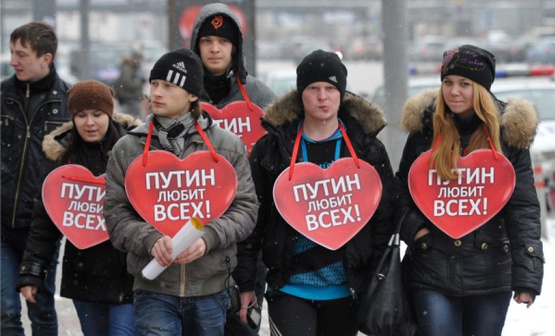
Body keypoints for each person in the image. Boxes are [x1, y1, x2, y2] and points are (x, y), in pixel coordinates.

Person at [233, 49, 395, 336]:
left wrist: (376, 278)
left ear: (341, 94)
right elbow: (252, 219)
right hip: (289, 286)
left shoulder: (366, 149)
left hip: (348, 289)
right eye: (314, 88)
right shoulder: (272, 149)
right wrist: (246, 282)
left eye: (331, 88)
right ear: (300, 94)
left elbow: (384, 218)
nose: (323, 97)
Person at [103, 48, 258, 336]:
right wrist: (149, 240)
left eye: (168, 86)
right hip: (153, 288)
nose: (156, 93)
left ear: (192, 95)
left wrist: (208, 238)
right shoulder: (127, 149)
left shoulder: (227, 147)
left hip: (210, 286)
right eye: (154, 84)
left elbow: (246, 210)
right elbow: (115, 215)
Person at [393, 44, 544, 336]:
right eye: (448, 83)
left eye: (465, 84)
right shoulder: (425, 131)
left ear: (482, 90)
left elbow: (522, 207)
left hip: (490, 272)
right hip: (430, 268)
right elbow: (401, 193)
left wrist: (527, 274)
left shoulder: (508, 137)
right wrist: (417, 231)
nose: (454, 92)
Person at [16, 80, 140, 336]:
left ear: (110, 113)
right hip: (84, 274)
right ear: (72, 118)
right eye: (81, 115)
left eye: (97, 114)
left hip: (128, 273)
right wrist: (32, 272)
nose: (90, 122)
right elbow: (45, 223)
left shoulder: (135, 150)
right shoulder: (61, 160)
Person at [189, 3, 278, 334]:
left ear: (235, 48)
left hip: (249, 231)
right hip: (194, 226)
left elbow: (280, 160)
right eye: (207, 40)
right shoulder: (180, 96)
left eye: (223, 42)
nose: (215, 49)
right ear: (196, 45)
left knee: (243, 324)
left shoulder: (259, 96)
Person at [1, 21, 71, 336]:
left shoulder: (69, 103)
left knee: (41, 309)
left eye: (21, 54)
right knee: (6, 311)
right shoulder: (1, 95)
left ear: (46, 58)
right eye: (12, 52)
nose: (13, 60)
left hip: (41, 229)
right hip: (1, 224)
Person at [113, 48, 146, 119]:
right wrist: (140, 82)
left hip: (130, 97)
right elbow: (128, 82)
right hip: (130, 97)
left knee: (132, 116)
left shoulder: (130, 67)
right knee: (134, 117)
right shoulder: (128, 68)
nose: (140, 62)